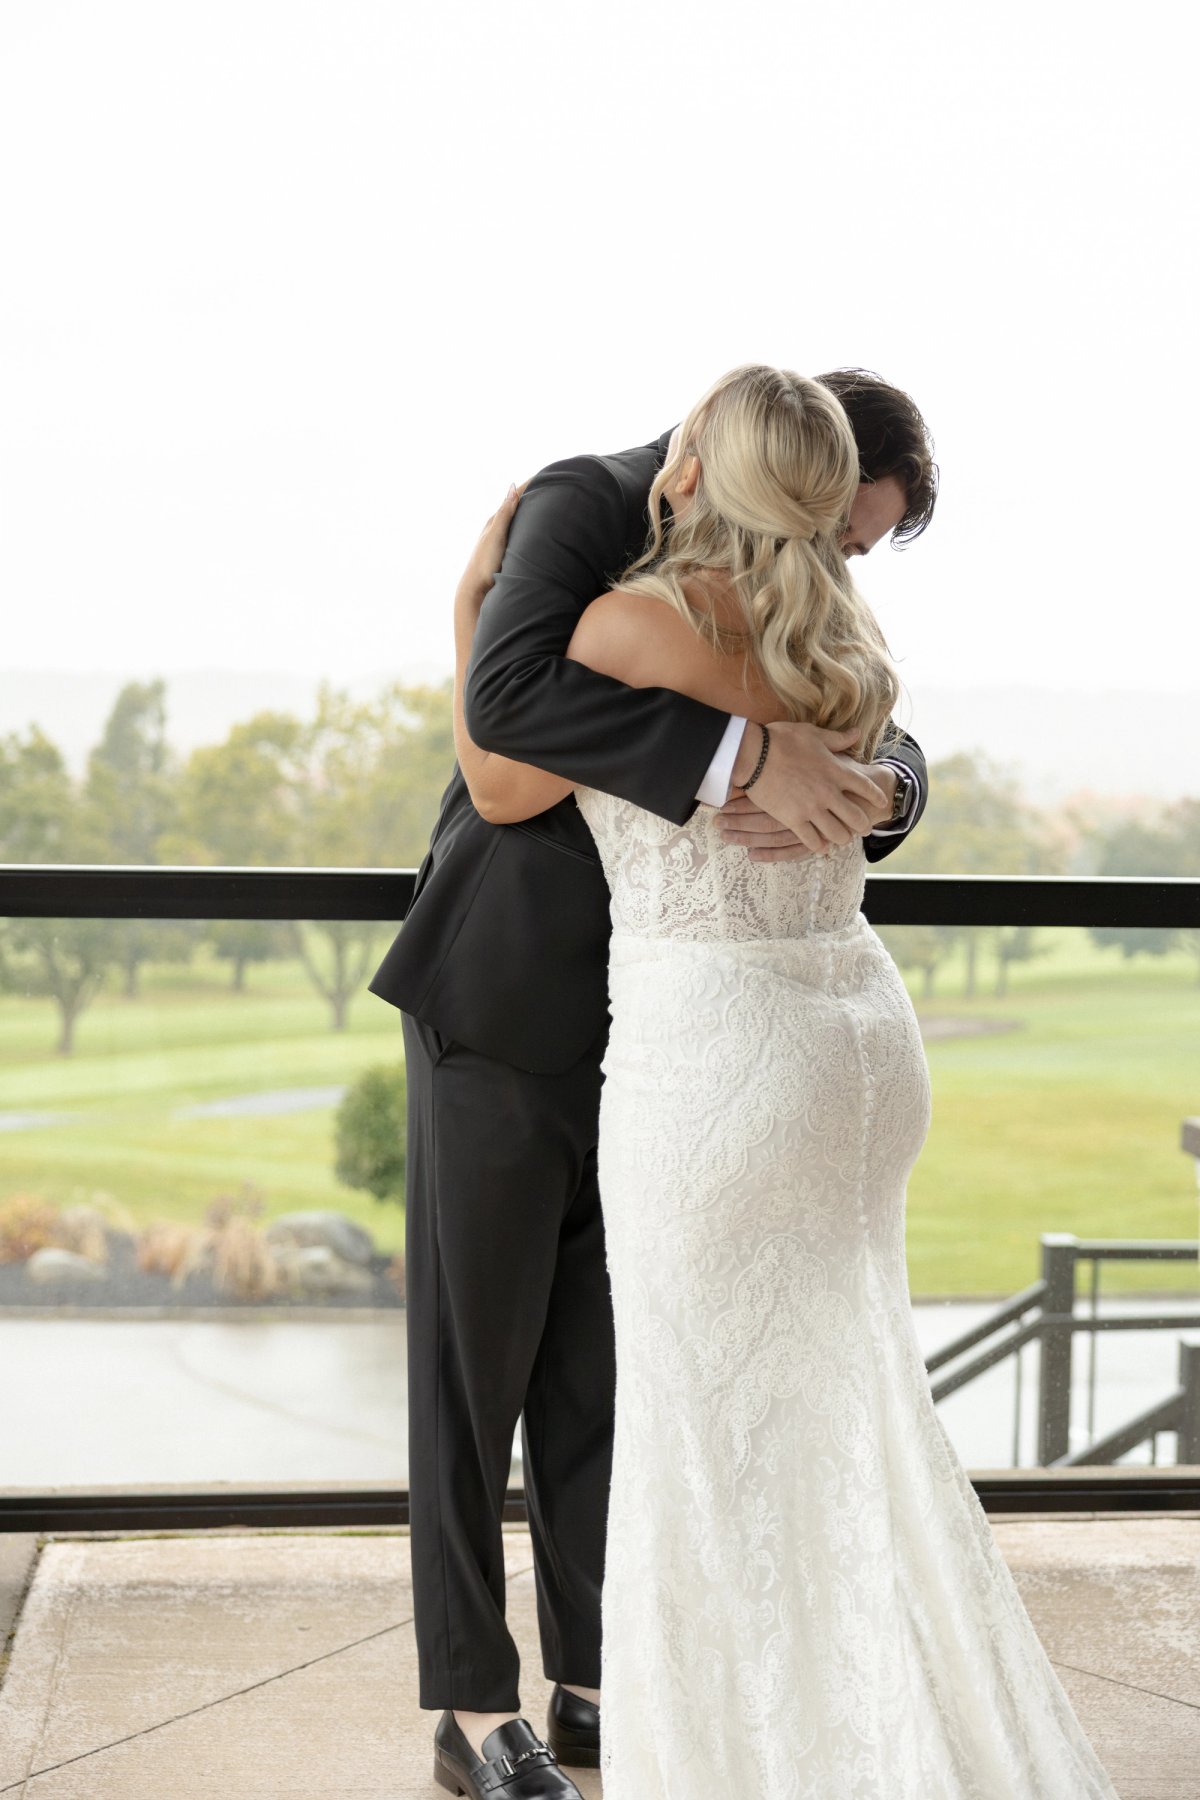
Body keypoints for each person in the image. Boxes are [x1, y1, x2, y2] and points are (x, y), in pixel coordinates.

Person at [449, 364, 1120, 1799]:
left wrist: (465, 615)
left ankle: (739, 1758)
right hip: (858, 1046)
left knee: (701, 1435)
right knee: (852, 1410)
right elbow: (877, 768)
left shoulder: (629, 623)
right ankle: (882, 1725)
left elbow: (503, 771)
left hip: (720, 1063)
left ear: (702, 464)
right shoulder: (853, 639)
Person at [368, 369, 937, 1800]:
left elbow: (866, 719)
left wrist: (875, 779)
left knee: (599, 1382)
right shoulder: (582, 506)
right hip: (506, 1005)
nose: (837, 566)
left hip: (673, 1044)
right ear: (766, 467)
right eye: (834, 534)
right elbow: (505, 724)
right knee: (469, 1375)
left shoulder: (776, 583)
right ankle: (468, 1711)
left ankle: (592, 1683)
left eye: (850, 550)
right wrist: (740, 749)